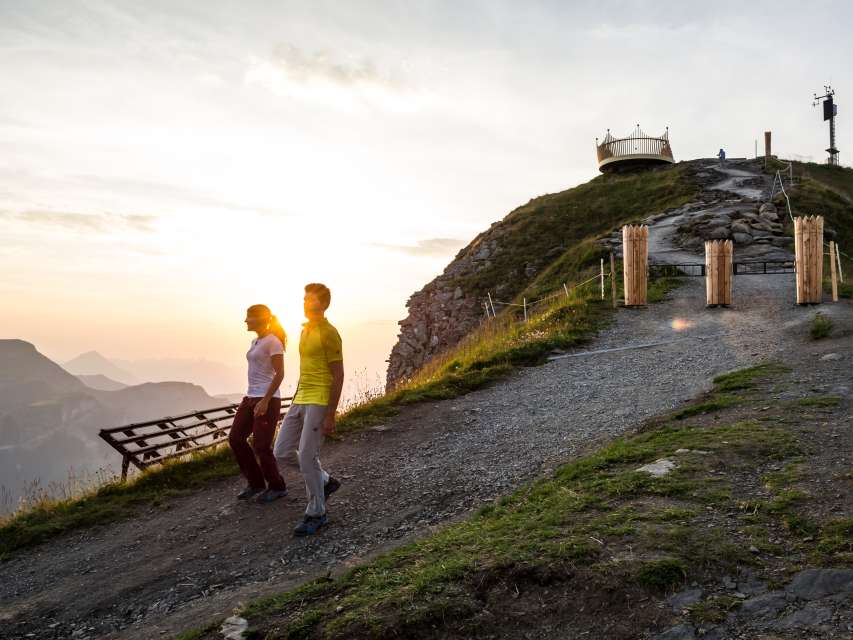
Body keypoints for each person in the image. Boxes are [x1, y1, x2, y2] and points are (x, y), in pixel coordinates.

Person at [274, 283, 344, 536]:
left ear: (323, 304)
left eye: (310, 299)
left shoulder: (330, 333)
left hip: (320, 399)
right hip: (300, 397)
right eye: (304, 299)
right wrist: (296, 399)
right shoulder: (304, 331)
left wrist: (330, 413)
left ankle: (317, 513)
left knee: (306, 456)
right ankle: (324, 480)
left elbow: (338, 374)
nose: (305, 303)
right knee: (281, 451)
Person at [228, 304, 288, 503]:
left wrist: (265, 400)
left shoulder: (273, 342)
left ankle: (277, 486)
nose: (246, 320)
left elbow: (280, 373)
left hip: (267, 399)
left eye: (249, 317)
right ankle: (256, 484)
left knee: (261, 446)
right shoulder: (255, 341)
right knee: (236, 438)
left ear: (261, 319)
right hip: (250, 397)